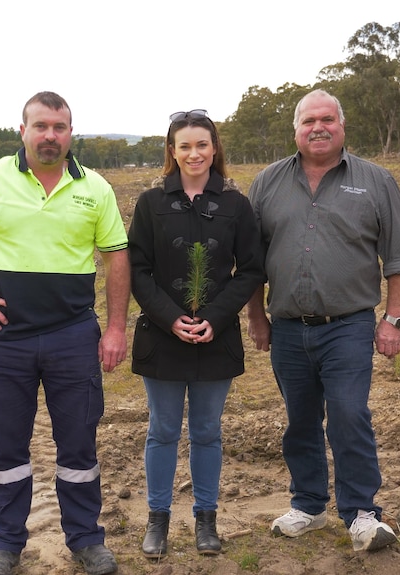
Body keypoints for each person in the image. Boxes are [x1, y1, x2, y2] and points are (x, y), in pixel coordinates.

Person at [0, 91, 128, 575]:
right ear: (23, 131)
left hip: (73, 337)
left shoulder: (94, 188)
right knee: (7, 448)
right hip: (6, 341)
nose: (50, 136)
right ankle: (6, 544)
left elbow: (117, 256)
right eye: (41, 126)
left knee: (78, 446)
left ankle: (85, 538)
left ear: (70, 133)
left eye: (59, 127)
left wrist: (115, 327)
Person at [246, 89, 400, 552]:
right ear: (296, 130)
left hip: (348, 324)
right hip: (286, 328)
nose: (317, 128)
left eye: (327, 119)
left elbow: (399, 257)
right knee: (299, 420)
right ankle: (308, 504)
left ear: (341, 126)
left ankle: (362, 513)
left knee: (348, 414)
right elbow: (252, 261)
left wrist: (393, 320)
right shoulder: (266, 183)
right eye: (308, 121)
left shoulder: (376, 180)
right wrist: (257, 317)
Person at [128, 109, 264, 558]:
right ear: (172, 151)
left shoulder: (233, 204)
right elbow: (139, 271)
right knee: (162, 430)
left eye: (201, 144)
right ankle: (158, 520)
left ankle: (206, 520)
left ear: (214, 148)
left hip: (215, 336)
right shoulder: (151, 204)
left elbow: (250, 270)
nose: (193, 153)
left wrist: (216, 317)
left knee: (207, 431)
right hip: (163, 336)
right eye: (184, 145)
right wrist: (171, 318)